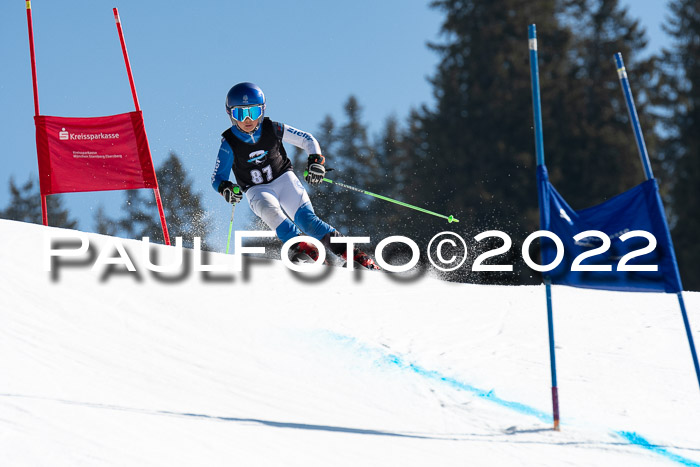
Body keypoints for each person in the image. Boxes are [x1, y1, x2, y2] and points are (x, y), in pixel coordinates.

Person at [211, 82, 379, 270]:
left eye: (254, 112)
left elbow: (307, 139)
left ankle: (358, 258)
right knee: (270, 212)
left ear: (263, 111)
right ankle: (308, 252)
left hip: (283, 178)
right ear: (230, 115)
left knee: (307, 221)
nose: (248, 119)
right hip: (255, 188)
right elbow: (217, 178)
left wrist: (316, 160)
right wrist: (225, 188)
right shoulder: (229, 143)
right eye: (240, 114)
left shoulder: (273, 129)